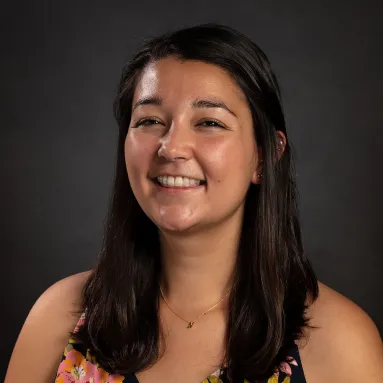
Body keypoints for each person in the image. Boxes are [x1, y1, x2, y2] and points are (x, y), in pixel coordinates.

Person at [5, 23, 383, 383]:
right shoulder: (59, 316)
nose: (170, 147)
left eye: (209, 123)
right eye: (150, 120)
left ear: (264, 157)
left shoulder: (339, 341)